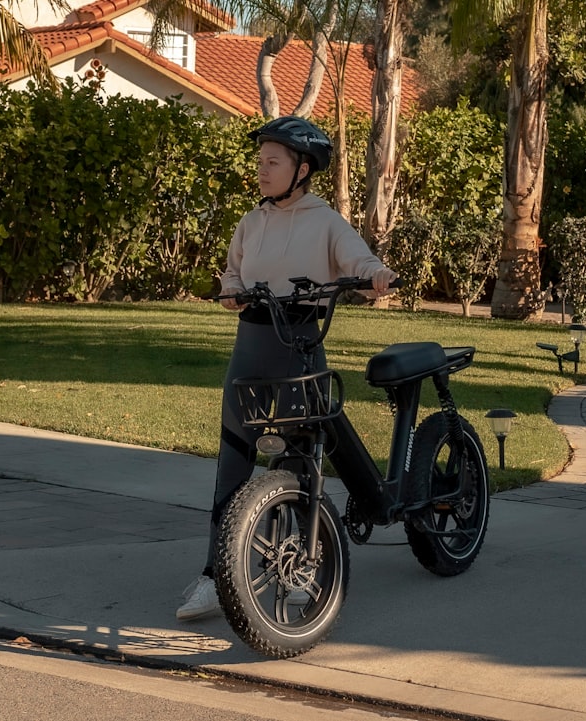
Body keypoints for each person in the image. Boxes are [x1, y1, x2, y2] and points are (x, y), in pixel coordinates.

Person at [177, 116, 396, 620]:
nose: (262, 170)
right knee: (233, 461)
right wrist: (231, 291)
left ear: (302, 169)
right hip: (249, 348)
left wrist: (377, 274)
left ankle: (301, 569)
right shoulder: (251, 222)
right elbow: (234, 272)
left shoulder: (326, 222)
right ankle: (214, 575)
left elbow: (358, 260)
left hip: (300, 348)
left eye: (272, 162)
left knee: (300, 462)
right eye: (260, 161)